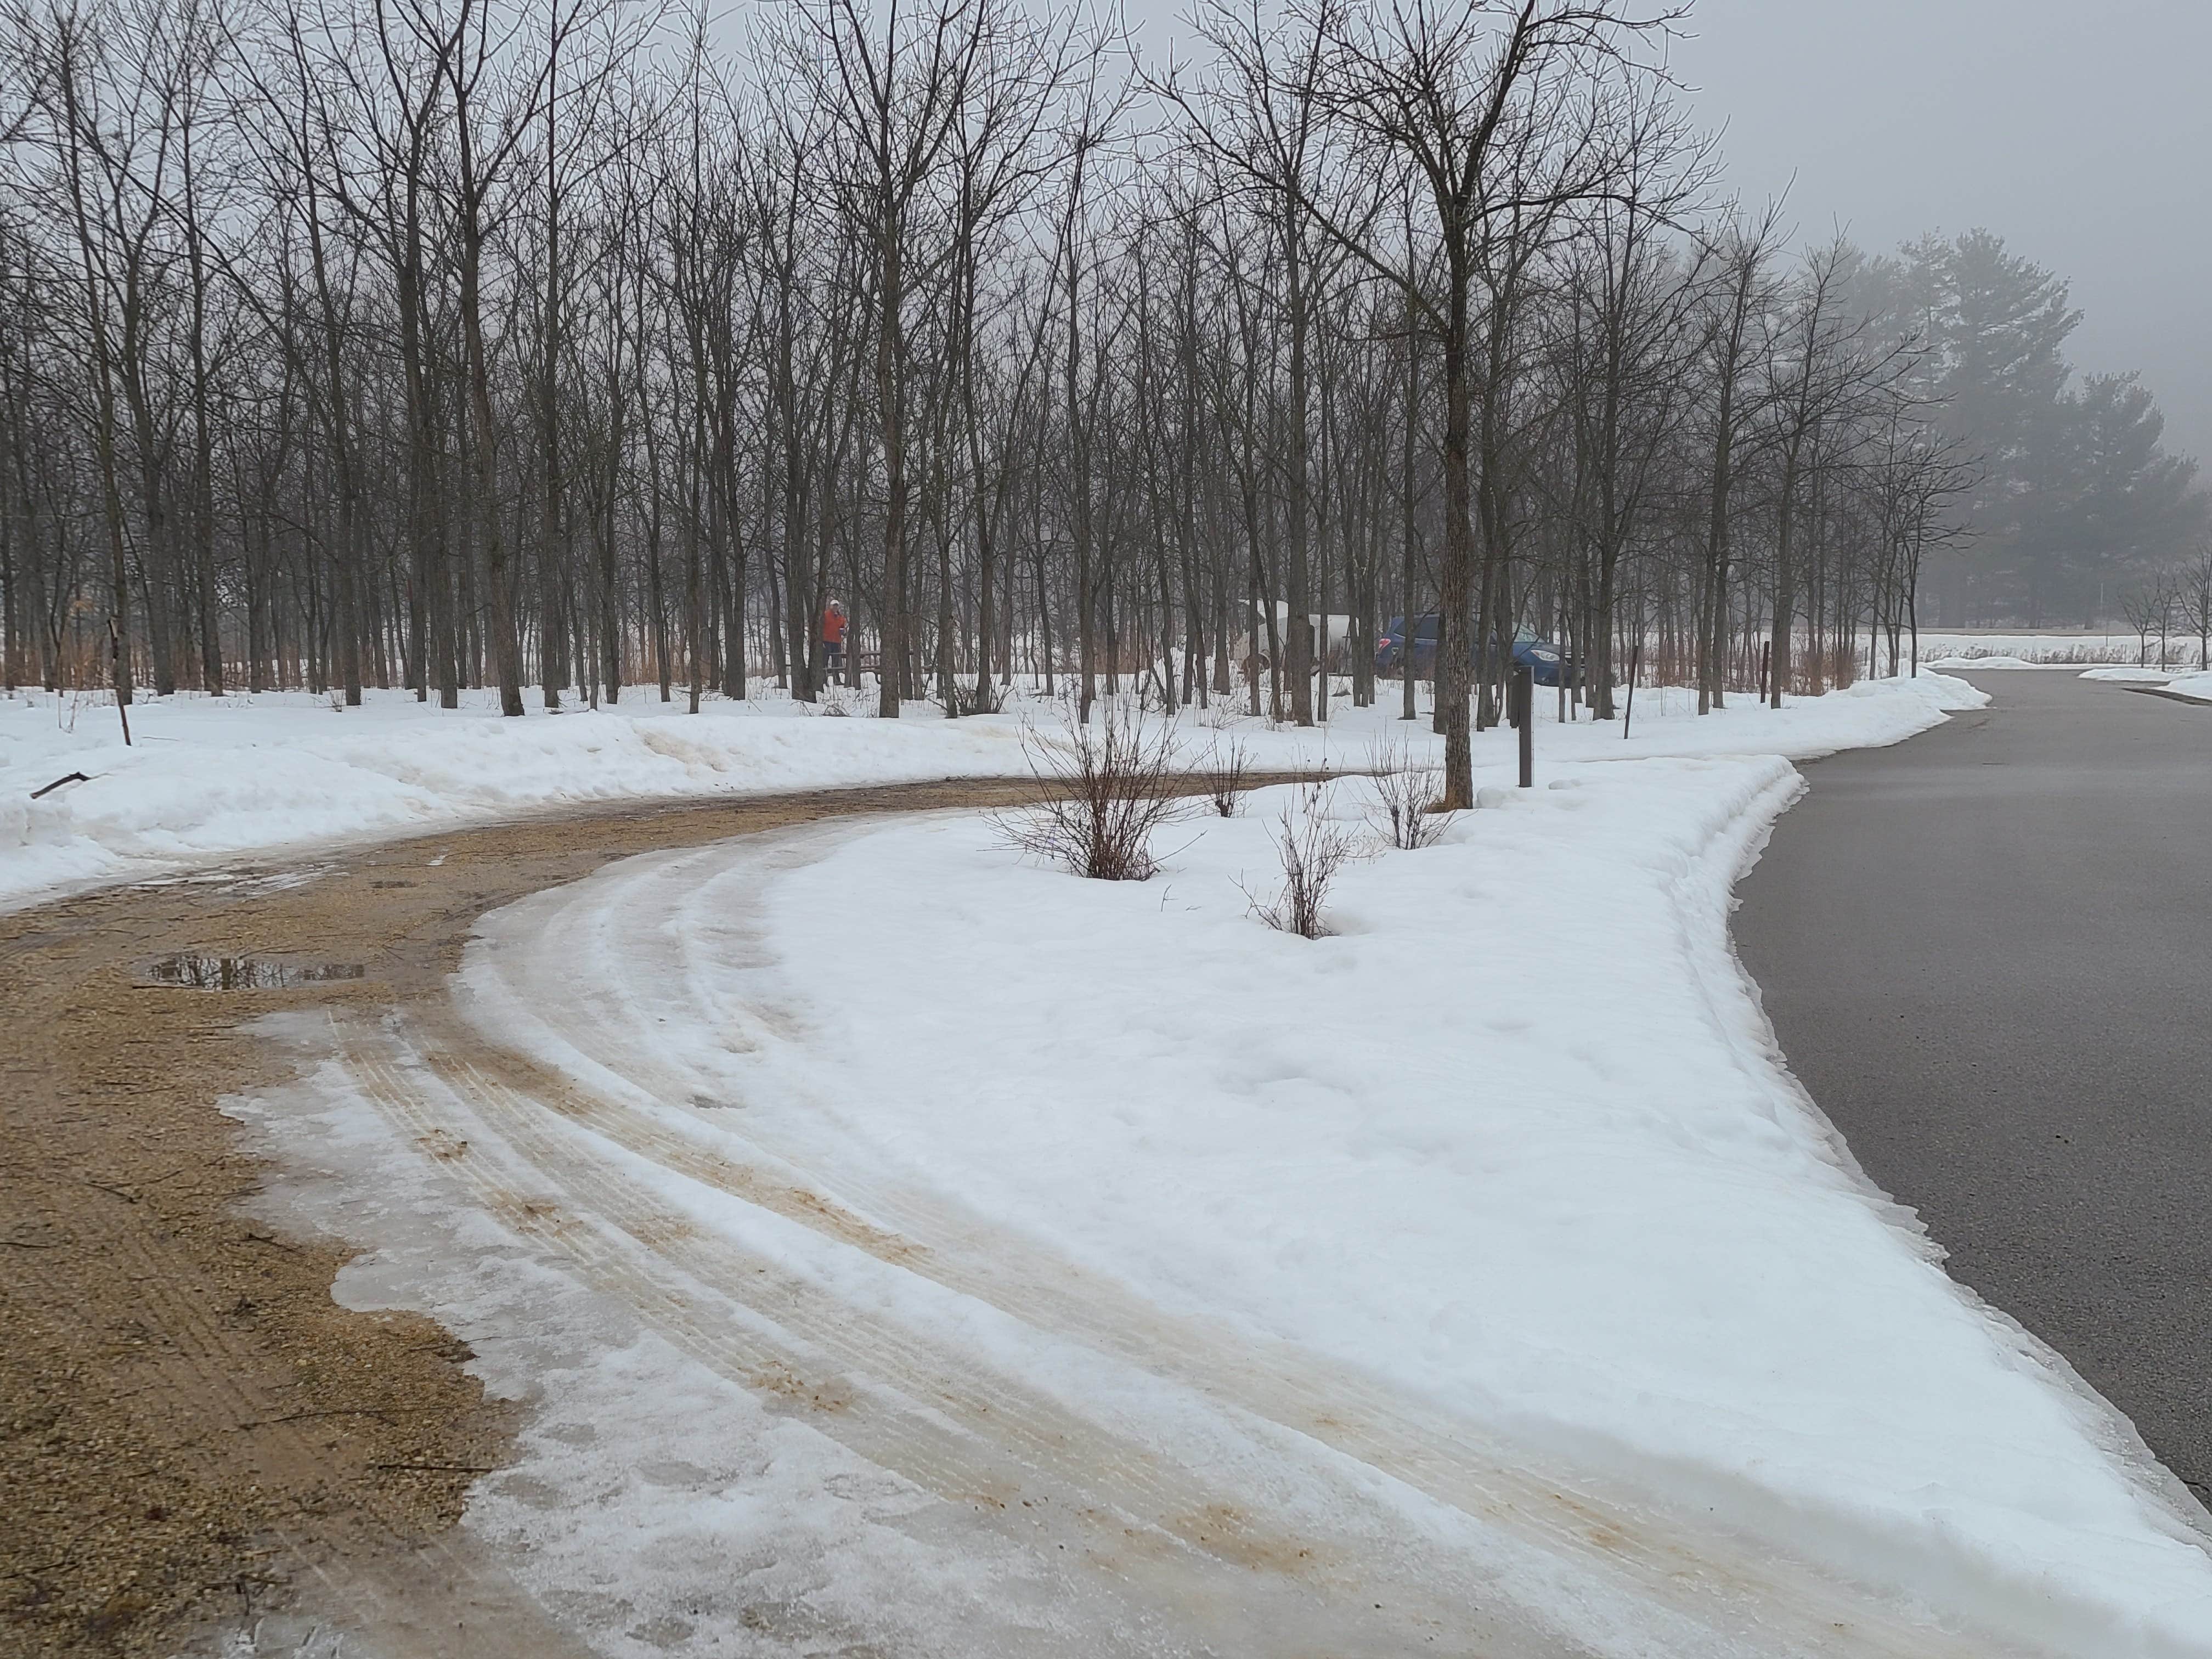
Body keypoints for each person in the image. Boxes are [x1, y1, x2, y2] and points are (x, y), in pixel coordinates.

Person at [821, 599, 848, 676]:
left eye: (836, 606)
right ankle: (824, 679)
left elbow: (843, 628)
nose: (835, 608)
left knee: (836, 662)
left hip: (837, 641)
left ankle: (836, 680)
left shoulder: (841, 618)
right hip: (826, 641)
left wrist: (844, 632)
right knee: (824, 661)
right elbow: (820, 627)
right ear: (830, 606)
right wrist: (821, 641)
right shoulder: (825, 615)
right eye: (834, 606)